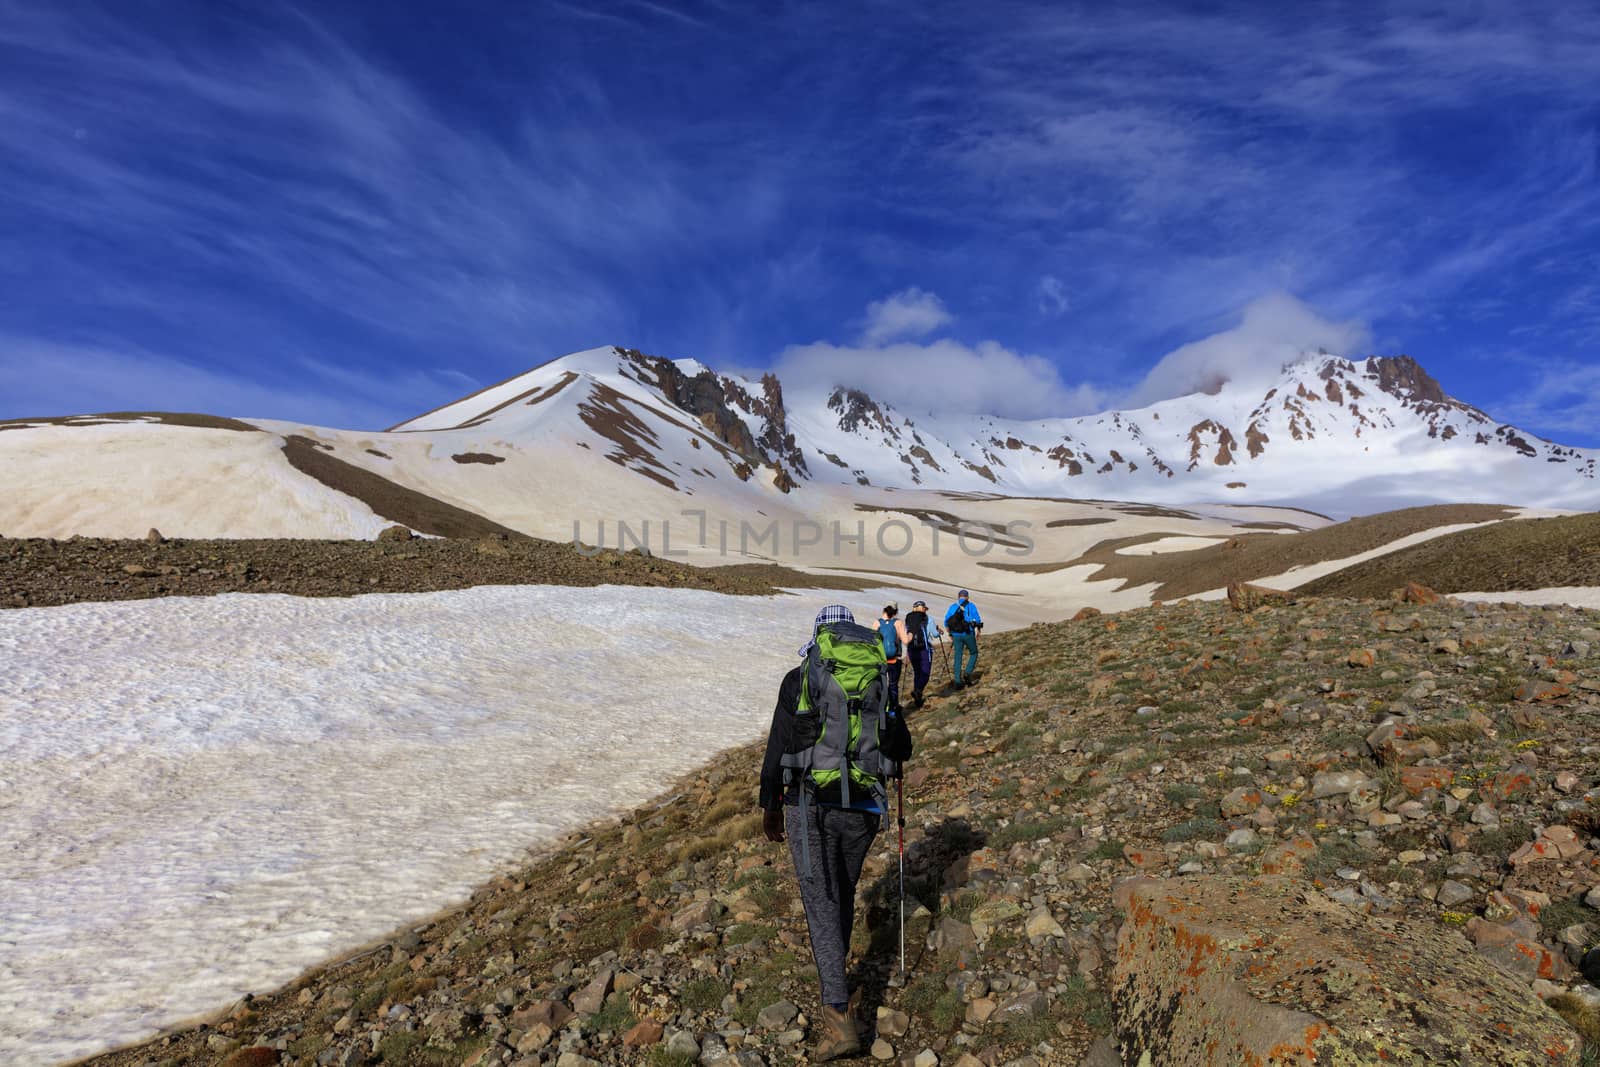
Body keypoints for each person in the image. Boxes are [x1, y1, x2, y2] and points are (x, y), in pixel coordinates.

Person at [760, 605, 913, 1062]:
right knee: (842, 895)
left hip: (809, 803)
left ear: (820, 635)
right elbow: (901, 746)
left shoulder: (801, 676)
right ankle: (839, 977)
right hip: (863, 807)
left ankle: (838, 1015)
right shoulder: (878, 676)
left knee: (820, 902)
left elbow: (779, 745)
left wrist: (770, 805)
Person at [903, 600, 939, 708]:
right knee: (925, 674)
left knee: (917, 672)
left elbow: (907, 634)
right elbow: (934, 634)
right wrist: (938, 631)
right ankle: (917, 691)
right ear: (923, 609)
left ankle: (917, 699)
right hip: (924, 649)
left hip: (912, 649)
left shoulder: (909, 619)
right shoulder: (928, 619)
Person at [943, 589, 983, 688]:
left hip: (956, 635)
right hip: (968, 633)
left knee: (958, 656)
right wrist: (978, 631)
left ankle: (957, 680)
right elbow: (977, 620)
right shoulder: (971, 606)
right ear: (967, 597)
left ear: (958, 597)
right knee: (974, 653)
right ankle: (967, 673)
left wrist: (950, 634)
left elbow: (946, 621)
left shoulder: (953, 607)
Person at [877, 603, 909, 712]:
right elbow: (905, 641)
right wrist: (911, 635)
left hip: (880, 660)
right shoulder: (898, 623)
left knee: (880, 684)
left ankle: (881, 708)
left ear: (884, 610)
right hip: (894, 660)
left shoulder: (877, 622)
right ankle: (893, 709)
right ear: (896, 611)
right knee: (893, 684)